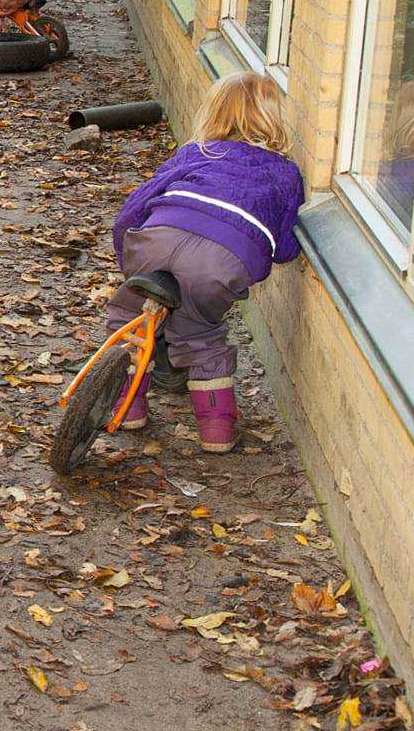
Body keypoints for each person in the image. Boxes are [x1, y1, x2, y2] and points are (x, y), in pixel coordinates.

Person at [105, 72, 303, 453]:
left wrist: (128, 258)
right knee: (199, 335)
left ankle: (126, 408)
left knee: (128, 319)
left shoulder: (198, 153)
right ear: (274, 117)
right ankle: (217, 431)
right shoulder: (286, 172)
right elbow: (286, 248)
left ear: (213, 113)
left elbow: (133, 209)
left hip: (157, 238)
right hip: (222, 261)